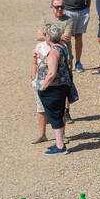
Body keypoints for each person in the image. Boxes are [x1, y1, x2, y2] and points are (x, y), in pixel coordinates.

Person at [36, 24, 72, 155]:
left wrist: (43, 86)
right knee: (59, 114)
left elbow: (51, 73)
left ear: (49, 37)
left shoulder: (53, 52)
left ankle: (60, 146)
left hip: (54, 89)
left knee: (55, 117)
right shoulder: (63, 46)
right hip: (62, 86)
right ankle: (59, 142)